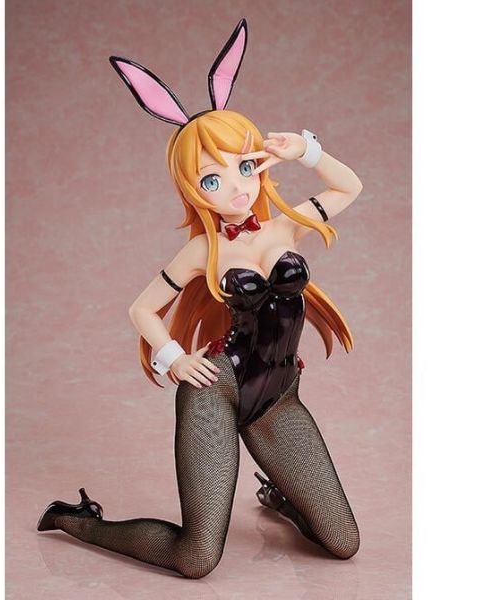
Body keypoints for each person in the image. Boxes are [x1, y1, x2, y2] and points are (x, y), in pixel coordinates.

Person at [37, 19, 363, 579]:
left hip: (279, 396)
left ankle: (286, 500)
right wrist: (174, 359)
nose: (236, 187)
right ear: (193, 191)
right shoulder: (201, 251)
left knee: (344, 542)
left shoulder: (286, 225)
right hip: (217, 393)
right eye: (213, 180)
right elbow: (141, 309)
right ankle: (78, 520)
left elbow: (348, 187)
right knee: (196, 557)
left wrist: (305, 150)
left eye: (244, 166)